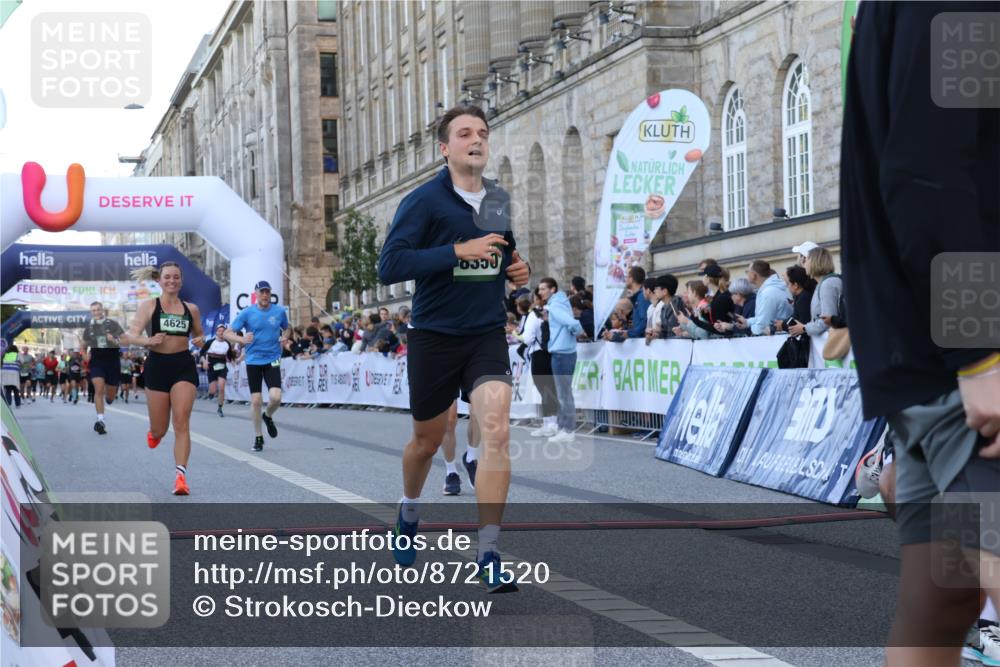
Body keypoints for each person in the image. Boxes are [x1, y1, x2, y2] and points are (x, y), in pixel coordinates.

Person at [841, 3, 1000, 665]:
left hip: (932, 356)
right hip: (968, 360)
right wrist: (980, 353)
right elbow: (927, 172)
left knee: (943, 601)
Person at [377, 103, 530, 593]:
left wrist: (519, 268)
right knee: (425, 442)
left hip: (486, 333)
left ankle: (489, 552)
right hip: (434, 336)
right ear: (445, 148)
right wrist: (456, 252)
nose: (476, 139)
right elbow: (389, 266)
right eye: (464, 133)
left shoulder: (498, 199)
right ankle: (409, 509)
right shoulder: (423, 201)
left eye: (482, 132)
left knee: (496, 431)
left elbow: (505, 252)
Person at [121, 262, 205, 495]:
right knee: (160, 429)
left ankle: (180, 478)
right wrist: (148, 341)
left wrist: (201, 340)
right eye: (167, 277)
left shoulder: (191, 309)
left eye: (176, 277)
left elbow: (200, 336)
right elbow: (130, 336)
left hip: (183, 366)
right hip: (157, 366)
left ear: (181, 281)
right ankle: (155, 433)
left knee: (181, 422)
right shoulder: (149, 306)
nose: (172, 281)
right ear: (159, 280)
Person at [224, 281, 288, 452]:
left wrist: (284, 337)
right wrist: (242, 339)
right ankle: (258, 436)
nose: (265, 295)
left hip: (273, 358)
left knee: (276, 397)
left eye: (267, 292)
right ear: (256, 294)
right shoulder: (247, 313)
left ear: (270, 294)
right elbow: (227, 333)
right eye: (262, 292)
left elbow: (286, 328)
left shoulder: (279, 311)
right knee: (256, 400)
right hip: (253, 360)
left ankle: (268, 416)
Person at [541, 278, 582, 444]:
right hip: (564, 351)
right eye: (540, 289)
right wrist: (571, 335)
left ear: (553, 289)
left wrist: (575, 333)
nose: (540, 292)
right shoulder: (560, 303)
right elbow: (571, 324)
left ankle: (568, 429)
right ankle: (563, 427)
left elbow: (573, 323)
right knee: (563, 392)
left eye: (543, 289)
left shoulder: (555, 306)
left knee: (564, 393)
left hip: (562, 352)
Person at [81, 302, 127, 434]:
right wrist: (84, 355)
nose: (96, 312)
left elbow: (125, 341)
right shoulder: (89, 328)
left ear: (102, 311)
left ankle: (109, 398)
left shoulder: (113, 324)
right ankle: (100, 420)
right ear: (91, 312)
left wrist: (114, 340)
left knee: (110, 397)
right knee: (99, 389)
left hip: (112, 362)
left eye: (98, 310)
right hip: (97, 362)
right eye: (93, 310)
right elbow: (83, 346)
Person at [524, 289, 558, 438]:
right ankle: (551, 423)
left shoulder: (534, 314)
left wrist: (516, 335)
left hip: (539, 353)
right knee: (551, 388)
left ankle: (550, 424)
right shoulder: (553, 311)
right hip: (553, 351)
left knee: (544, 389)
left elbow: (528, 338)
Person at [788, 247, 842, 339]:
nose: (804, 262)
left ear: (815, 262)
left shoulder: (827, 284)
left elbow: (827, 321)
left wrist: (804, 328)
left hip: (833, 340)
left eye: (806, 259)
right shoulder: (823, 283)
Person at [739, 260, 791, 335]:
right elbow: (763, 318)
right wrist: (747, 322)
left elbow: (762, 326)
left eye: (747, 272)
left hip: (777, 338)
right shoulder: (773, 287)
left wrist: (752, 329)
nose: (746, 275)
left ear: (753, 275)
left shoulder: (768, 293)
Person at [201, 324, 236, 417]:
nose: (221, 333)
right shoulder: (210, 342)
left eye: (223, 331)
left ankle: (220, 408)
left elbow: (230, 356)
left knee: (221, 387)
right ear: (216, 332)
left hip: (222, 367)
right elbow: (202, 353)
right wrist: (204, 361)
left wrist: (233, 359)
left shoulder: (227, 343)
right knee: (212, 391)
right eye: (219, 331)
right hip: (211, 367)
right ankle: (211, 393)